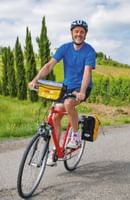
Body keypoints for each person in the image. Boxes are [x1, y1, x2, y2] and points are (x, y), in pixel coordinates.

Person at [28, 19, 96, 166]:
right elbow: (49, 65)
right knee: (55, 116)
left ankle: (76, 136)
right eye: (76, 31)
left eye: (82, 32)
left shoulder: (89, 51)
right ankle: (55, 150)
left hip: (82, 87)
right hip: (66, 87)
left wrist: (82, 92)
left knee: (68, 103)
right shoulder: (64, 48)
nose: (79, 34)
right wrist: (35, 80)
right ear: (71, 33)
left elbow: (87, 73)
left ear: (85, 34)